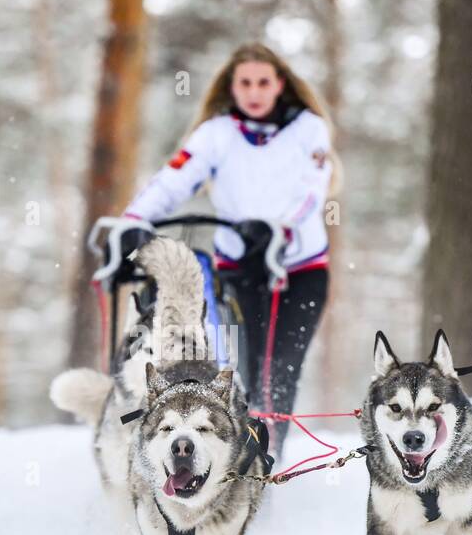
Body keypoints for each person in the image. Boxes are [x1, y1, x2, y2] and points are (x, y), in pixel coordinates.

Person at [122, 43, 339, 461]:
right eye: (245, 83)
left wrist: (280, 227)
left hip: (300, 269)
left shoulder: (308, 129)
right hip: (239, 269)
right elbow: (173, 182)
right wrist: (132, 222)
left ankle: (265, 461)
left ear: (280, 85)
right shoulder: (217, 133)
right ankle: (243, 453)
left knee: (280, 369)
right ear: (232, 87)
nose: (254, 91)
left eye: (263, 82)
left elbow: (313, 191)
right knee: (244, 369)